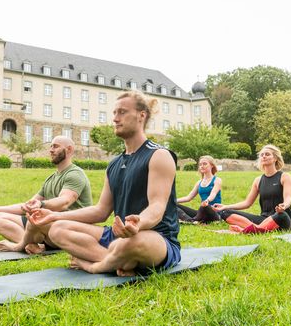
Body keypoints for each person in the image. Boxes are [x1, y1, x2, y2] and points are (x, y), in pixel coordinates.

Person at [23, 90, 180, 276]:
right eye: (114, 113)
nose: (115, 118)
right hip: (116, 236)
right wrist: (54, 216)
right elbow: (100, 211)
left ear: (141, 116)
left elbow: (157, 207)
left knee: (132, 243)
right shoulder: (114, 164)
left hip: (155, 238)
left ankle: (94, 265)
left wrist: (138, 223)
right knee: (57, 230)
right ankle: (120, 261)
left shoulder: (159, 155)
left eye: (122, 112)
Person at [0, 135, 93, 253]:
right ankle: (33, 246)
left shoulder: (75, 174)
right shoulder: (51, 178)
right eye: (50, 146)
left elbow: (64, 202)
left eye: (55, 146)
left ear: (69, 149)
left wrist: (41, 204)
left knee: (36, 217)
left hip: (69, 229)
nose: (51, 150)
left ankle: (20, 246)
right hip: (48, 224)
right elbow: (27, 206)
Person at [212, 144, 291, 233]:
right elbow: (247, 203)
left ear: (275, 158)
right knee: (225, 212)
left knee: (280, 214)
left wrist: (284, 205)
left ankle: (251, 230)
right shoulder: (258, 180)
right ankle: (258, 230)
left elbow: (288, 198)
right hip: (263, 220)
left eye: (267, 154)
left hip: (281, 221)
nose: (263, 156)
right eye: (262, 155)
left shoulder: (284, 176)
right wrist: (225, 206)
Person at [176, 155, 222, 224]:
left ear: (212, 165)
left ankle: (194, 220)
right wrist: (173, 201)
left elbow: (213, 194)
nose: (202, 166)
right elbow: (188, 198)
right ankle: (190, 221)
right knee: (174, 205)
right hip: (201, 212)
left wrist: (207, 200)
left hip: (214, 212)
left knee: (205, 206)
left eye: (205, 164)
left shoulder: (217, 180)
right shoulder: (199, 183)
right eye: (200, 164)